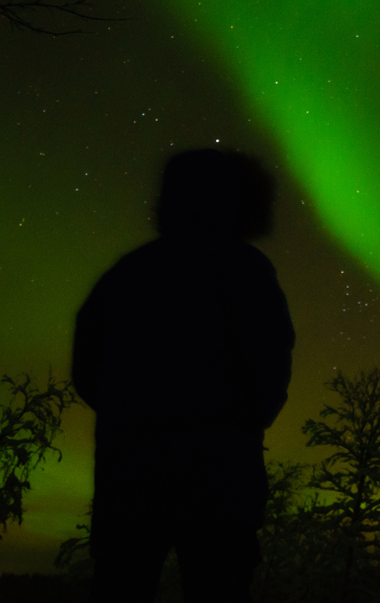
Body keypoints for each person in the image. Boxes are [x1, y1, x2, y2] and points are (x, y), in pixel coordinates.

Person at [71, 148, 295, 602]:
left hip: (129, 478)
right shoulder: (245, 269)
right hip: (221, 480)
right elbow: (270, 362)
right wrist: (236, 421)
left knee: (122, 583)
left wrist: (131, 414)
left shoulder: (127, 273)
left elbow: (87, 367)